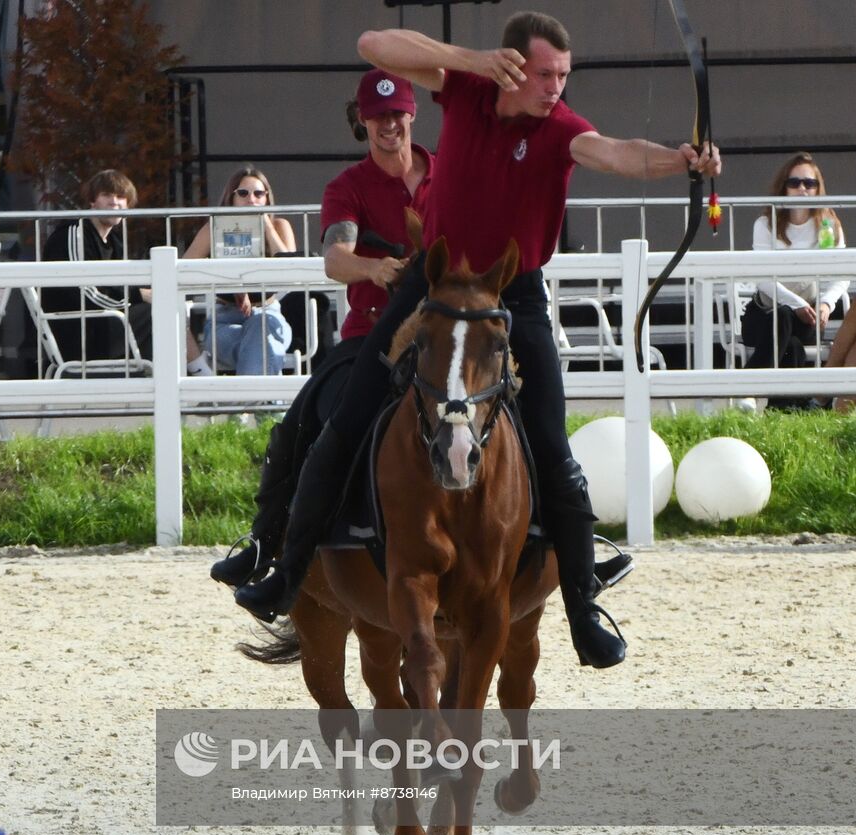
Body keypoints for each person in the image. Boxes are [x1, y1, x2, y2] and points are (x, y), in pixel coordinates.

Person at [233, 12, 722, 670]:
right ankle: (286, 575)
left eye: (563, 76)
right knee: (346, 421)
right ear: (514, 65)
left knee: (551, 443)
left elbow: (615, 152)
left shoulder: (560, 130)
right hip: (431, 289)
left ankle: (582, 605)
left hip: (512, 297)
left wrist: (679, 160)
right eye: (545, 74)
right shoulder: (462, 89)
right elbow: (371, 43)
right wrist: (472, 59)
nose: (555, 87)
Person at [210, 69, 431, 588]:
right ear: (362, 122)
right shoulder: (347, 187)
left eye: (396, 114)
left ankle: (561, 543)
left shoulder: (451, 177)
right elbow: (335, 256)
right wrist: (373, 270)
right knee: (303, 425)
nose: (388, 125)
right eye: (377, 117)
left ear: (412, 114)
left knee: (521, 405)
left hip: (446, 326)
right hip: (372, 330)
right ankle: (273, 552)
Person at [39, 169, 210, 374]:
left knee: (166, 306)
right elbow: (84, 292)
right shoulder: (74, 233)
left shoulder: (114, 241)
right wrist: (139, 295)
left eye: (121, 197)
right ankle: (198, 376)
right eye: (107, 195)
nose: (114, 202)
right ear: (92, 201)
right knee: (160, 310)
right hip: (79, 333)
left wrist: (147, 294)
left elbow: (121, 284)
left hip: (103, 324)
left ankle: (183, 378)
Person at [741, 152, 848, 411]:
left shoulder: (827, 225)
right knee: (790, 338)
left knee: (792, 333)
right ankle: (783, 410)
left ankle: (745, 388)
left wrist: (825, 304)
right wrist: (795, 303)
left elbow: (840, 273)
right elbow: (762, 278)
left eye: (809, 184)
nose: (802, 189)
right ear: (784, 187)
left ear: (818, 188)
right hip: (764, 314)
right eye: (795, 182)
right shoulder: (766, 223)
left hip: (809, 317)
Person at [183, 165, 295, 375]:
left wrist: (267, 228)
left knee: (261, 325)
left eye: (259, 193)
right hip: (224, 319)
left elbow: (291, 270)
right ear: (231, 197)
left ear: (267, 198)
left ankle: (249, 405)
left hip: (268, 313)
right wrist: (234, 283)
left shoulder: (280, 226)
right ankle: (264, 402)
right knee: (264, 344)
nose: (251, 199)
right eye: (243, 193)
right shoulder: (213, 229)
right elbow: (182, 270)